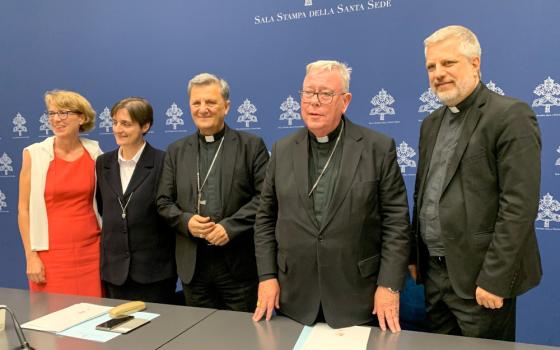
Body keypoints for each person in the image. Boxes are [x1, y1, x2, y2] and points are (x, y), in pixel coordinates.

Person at [253, 60, 410, 331]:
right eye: (307, 93)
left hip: (359, 298)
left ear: (345, 101)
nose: (313, 102)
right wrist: (267, 276)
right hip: (294, 297)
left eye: (325, 94)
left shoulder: (377, 148)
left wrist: (389, 285)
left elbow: (396, 224)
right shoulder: (282, 150)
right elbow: (265, 220)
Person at [410, 25, 542, 341]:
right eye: (431, 66)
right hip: (435, 277)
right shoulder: (430, 124)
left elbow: (519, 207)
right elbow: (426, 194)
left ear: (475, 63)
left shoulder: (510, 115)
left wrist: (496, 279)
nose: (438, 73)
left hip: (481, 280)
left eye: (448, 63)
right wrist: (416, 256)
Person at [157, 73, 269, 311]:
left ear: (226, 107)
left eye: (210, 102)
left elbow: (265, 198)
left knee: (243, 339)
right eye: (196, 103)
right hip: (193, 267)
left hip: (238, 265)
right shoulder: (176, 151)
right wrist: (186, 222)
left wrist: (230, 227)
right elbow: (163, 202)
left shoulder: (251, 146)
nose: (202, 109)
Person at [18, 90, 103, 296]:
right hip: (49, 256)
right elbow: (24, 209)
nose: (56, 119)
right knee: (49, 319)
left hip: (92, 252)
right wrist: (31, 256)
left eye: (64, 113)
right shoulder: (34, 154)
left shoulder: (96, 154)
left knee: (94, 318)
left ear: (82, 118)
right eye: (52, 113)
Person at [96, 97, 176, 303]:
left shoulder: (163, 161)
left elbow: (169, 211)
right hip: (114, 272)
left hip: (153, 273)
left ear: (145, 126)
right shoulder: (103, 163)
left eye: (126, 124)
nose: (118, 129)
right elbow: (105, 208)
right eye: (115, 122)